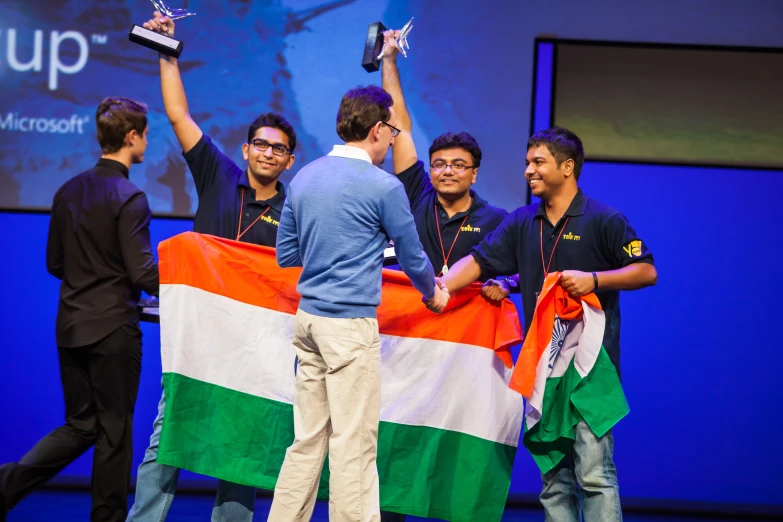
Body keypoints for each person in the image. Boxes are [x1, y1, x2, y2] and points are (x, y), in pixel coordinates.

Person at [126, 12, 298, 522]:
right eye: (261, 144)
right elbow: (178, 114)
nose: (269, 153)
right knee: (169, 433)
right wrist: (166, 51)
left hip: (258, 347)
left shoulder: (296, 210)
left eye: (280, 149)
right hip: (198, 337)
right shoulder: (217, 174)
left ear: (289, 161)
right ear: (246, 149)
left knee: (241, 453)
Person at [439, 127, 657, 522]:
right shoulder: (523, 221)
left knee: (594, 475)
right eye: (527, 163)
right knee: (553, 479)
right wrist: (440, 288)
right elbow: (477, 262)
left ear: (567, 167)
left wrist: (595, 279)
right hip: (542, 369)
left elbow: (646, 271)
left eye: (538, 162)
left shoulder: (604, 219)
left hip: (592, 372)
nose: (528, 171)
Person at [268, 85, 448, 522]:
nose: (393, 139)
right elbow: (412, 256)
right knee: (353, 445)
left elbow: (286, 255)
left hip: (308, 322)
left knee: (307, 441)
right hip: (348, 328)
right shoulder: (383, 186)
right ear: (376, 128)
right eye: (392, 130)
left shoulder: (305, 176)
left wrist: (328, 244)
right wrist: (433, 293)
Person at [0, 97, 160, 522]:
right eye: (145, 133)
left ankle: (4, 488)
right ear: (131, 137)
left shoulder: (67, 190)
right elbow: (145, 274)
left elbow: (56, 263)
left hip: (70, 325)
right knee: (113, 431)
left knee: (82, 425)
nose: (147, 140)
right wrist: (190, 284)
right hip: (113, 331)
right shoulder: (131, 197)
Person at [380, 29, 517, 306]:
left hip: (464, 338)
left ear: (474, 173)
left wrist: (506, 283)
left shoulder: (497, 219)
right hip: (409, 325)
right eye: (439, 164)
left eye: (458, 165)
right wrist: (389, 62)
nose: (448, 171)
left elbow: (519, 269)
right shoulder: (417, 192)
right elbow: (400, 128)